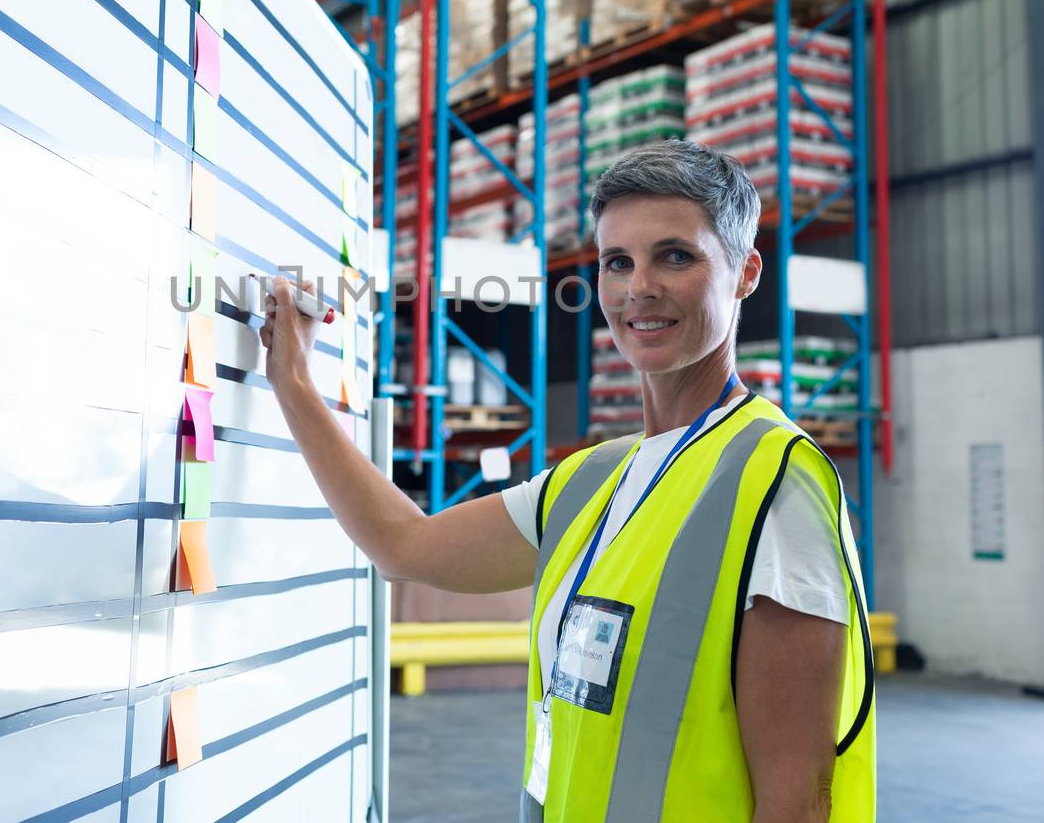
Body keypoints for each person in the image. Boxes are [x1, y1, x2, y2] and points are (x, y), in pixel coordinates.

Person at [259, 139, 875, 821]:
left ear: (745, 272)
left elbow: (797, 801)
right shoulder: (588, 482)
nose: (640, 286)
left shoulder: (777, 484)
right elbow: (402, 543)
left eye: (676, 254)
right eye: (618, 261)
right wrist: (292, 383)